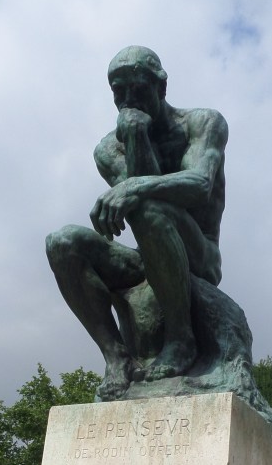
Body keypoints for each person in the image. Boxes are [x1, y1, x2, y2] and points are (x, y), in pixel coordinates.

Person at [46, 46, 228, 400]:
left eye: (138, 88)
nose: (129, 99)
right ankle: (116, 358)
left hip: (199, 254)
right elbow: (137, 202)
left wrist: (133, 185)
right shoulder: (107, 149)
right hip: (147, 254)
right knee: (62, 241)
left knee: (147, 207)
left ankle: (181, 339)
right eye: (119, 92)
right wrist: (135, 136)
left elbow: (199, 185)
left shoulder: (202, 123)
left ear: (161, 85)